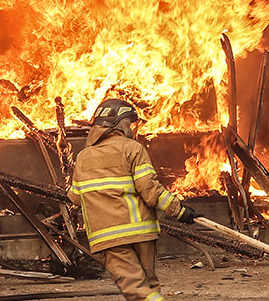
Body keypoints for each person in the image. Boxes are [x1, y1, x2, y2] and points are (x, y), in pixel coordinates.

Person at [69, 98, 201, 301]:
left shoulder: (84, 157)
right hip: (142, 233)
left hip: (109, 237)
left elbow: (75, 198)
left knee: (136, 290)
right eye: (129, 123)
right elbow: (150, 190)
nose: (131, 127)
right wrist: (179, 211)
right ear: (119, 123)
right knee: (149, 286)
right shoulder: (132, 148)